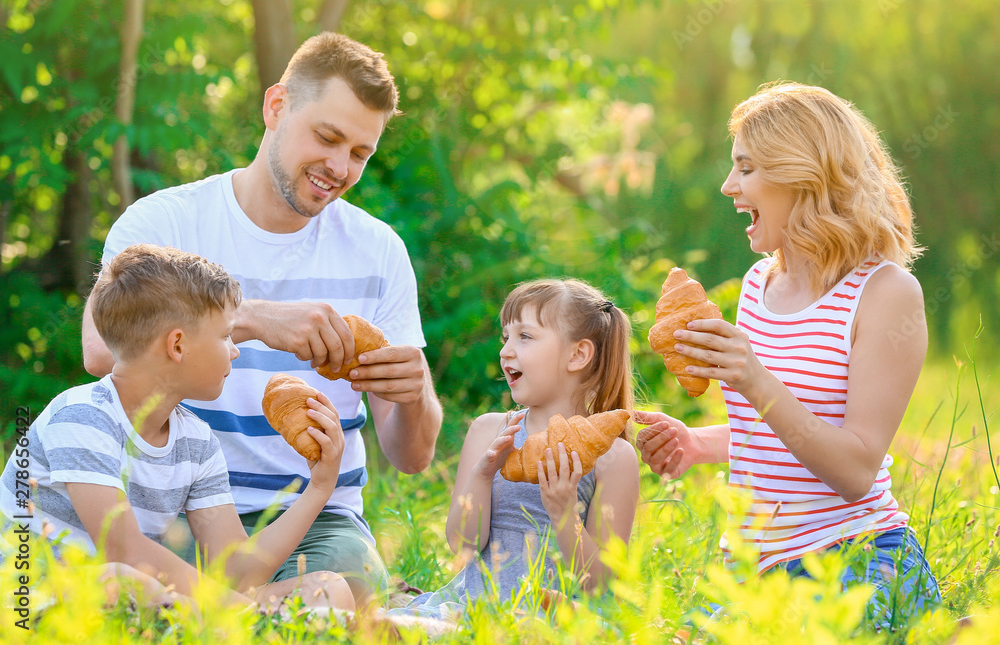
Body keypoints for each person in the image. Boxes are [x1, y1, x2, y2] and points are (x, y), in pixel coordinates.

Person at [79, 32, 443, 604]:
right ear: (276, 107)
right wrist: (246, 318)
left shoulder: (379, 251)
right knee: (106, 589)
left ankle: (205, 614)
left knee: (345, 592)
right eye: (327, 137)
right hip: (168, 505)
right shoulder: (166, 222)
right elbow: (101, 350)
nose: (339, 167)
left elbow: (413, 457)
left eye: (360, 154)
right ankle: (244, 614)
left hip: (315, 524)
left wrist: (416, 395)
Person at [636, 82, 941, 628]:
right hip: (754, 570)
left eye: (746, 168)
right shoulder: (759, 283)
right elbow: (781, 433)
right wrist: (695, 443)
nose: (729, 186)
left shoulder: (887, 293)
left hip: (855, 558)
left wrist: (752, 377)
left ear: (804, 176)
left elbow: (854, 469)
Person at [1, 244, 353, 612]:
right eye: (224, 336)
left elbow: (235, 572)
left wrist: (320, 486)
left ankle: (250, 625)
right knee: (123, 580)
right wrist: (240, 609)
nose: (234, 350)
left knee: (329, 589)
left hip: (146, 605)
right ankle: (255, 625)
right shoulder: (81, 416)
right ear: (178, 345)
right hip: (32, 604)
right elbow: (123, 548)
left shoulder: (196, 442)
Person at [389, 279, 640, 619]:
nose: (505, 351)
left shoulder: (614, 457)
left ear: (577, 354)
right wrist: (482, 475)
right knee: (391, 627)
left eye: (524, 336)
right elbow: (462, 546)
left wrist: (564, 512)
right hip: (472, 605)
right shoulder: (489, 430)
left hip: (554, 617)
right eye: (505, 337)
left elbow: (599, 585)